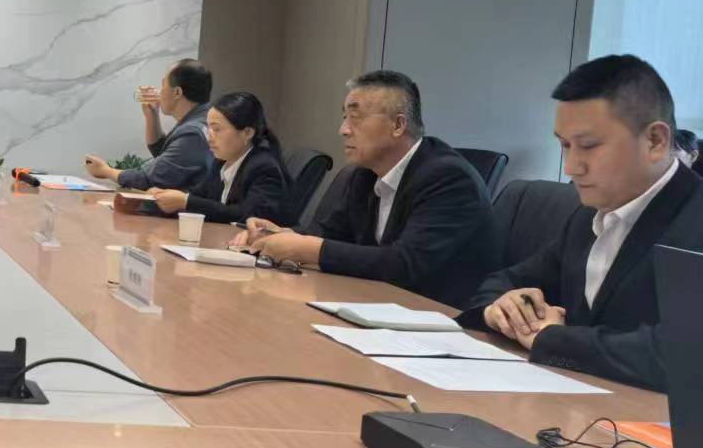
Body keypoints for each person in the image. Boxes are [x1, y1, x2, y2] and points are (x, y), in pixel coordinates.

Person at [458, 55, 703, 391]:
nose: (571, 167)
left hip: (648, 420)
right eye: (564, 145)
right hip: (570, 401)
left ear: (655, 141)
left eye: (589, 146)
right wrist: (502, 309)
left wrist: (552, 338)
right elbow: (508, 279)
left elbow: (688, 356)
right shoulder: (591, 213)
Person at [233, 70, 498, 307]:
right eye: (344, 118)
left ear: (398, 125)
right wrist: (280, 235)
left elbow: (406, 264)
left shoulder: (448, 178)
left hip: (439, 319)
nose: (343, 130)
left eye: (355, 118)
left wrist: (304, 248)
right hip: (379, 305)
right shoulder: (365, 173)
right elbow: (329, 234)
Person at [146, 91, 288, 224]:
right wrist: (168, 196)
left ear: (247, 133)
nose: (209, 137)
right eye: (208, 128)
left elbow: (249, 217)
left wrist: (186, 202)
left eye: (217, 129)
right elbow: (199, 195)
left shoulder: (263, 166)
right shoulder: (221, 162)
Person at [83, 59, 214, 191]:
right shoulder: (200, 120)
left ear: (177, 93)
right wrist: (152, 116)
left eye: (163, 85)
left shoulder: (192, 133)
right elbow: (165, 155)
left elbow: (148, 179)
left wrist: (105, 170)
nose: (159, 91)